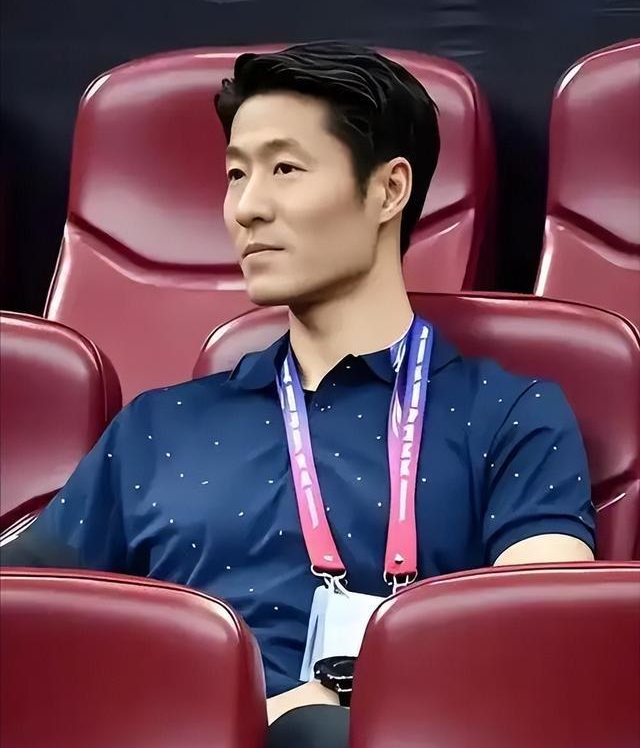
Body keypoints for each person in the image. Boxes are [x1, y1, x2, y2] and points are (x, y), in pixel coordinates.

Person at [0, 42, 595, 747]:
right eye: (235, 174)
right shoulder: (158, 427)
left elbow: (542, 644)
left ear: (389, 190)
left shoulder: (511, 415)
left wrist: (344, 690)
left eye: (284, 169)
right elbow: (25, 620)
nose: (247, 208)